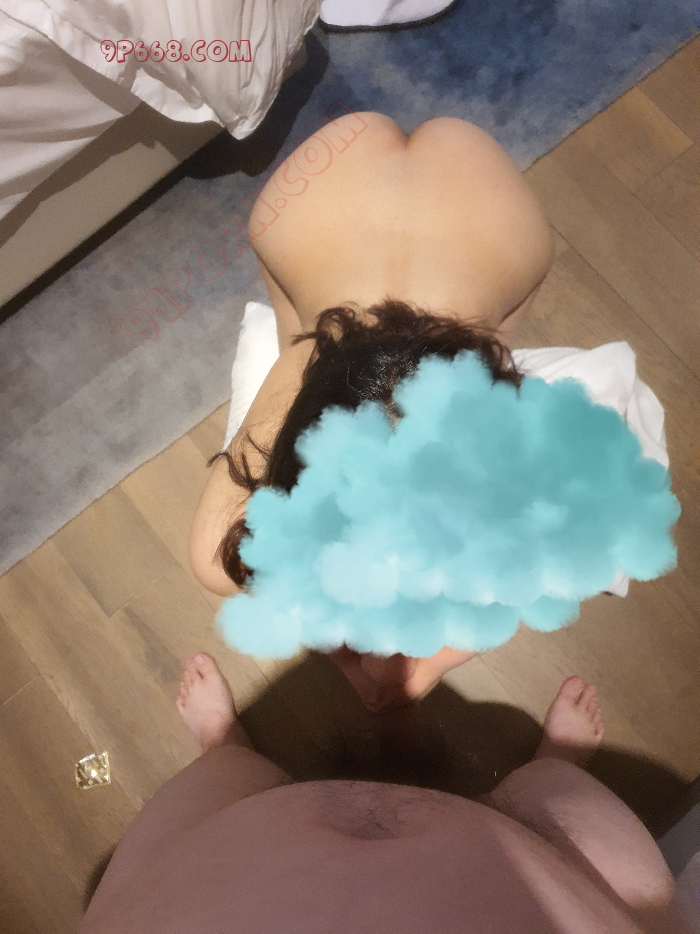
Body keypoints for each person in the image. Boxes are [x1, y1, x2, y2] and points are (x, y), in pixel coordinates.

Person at [188, 111, 556, 710]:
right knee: (306, 337)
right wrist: (415, 673)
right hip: (448, 192)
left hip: (335, 180)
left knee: (305, 336)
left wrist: (411, 671)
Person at [78, 652, 688, 933]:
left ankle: (223, 745)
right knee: (552, 788)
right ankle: (557, 762)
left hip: (185, 871)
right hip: (571, 872)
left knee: (227, 775)